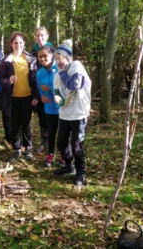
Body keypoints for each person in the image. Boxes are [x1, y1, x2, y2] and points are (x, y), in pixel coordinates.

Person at [53, 40, 91, 186]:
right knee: (61, 143)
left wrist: (62, 73)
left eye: (60, 58)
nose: (57, 61)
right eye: (55, 58)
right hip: (64, 114)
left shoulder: (76, 66)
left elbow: (75, 85)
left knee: (77, 145)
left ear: (68, 57)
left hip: (79, 114)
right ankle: (70, 166)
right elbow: (57, 91)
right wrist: (57, 97)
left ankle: (81, 173)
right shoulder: (57, 75)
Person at [0, 31, 39, 163]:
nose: (18, 45)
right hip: (13, 97)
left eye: (20, 42)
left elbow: (35, 79)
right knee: (14, 124)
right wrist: (8, 80)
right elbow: (1, 79)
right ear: (11, 44)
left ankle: (28, 147)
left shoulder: (30, 58)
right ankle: (16, 149)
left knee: (26, 124)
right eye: (15, 43)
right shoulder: (6, 61)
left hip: (27, 96)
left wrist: (36, 95)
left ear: (24, 44)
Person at [36, 46, 64, 167]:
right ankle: (50, 154)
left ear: (52, 55)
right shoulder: (39, 73)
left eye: (45, 56)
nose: (42, 59)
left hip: (62, 107)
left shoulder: (59, 68)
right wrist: (42, 96)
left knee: (63, 132)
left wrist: (50, 89)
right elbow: (40, 89)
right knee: (51, 132)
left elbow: (64, 88)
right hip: (49, 108)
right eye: (40, 57)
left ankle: (64, 156)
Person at [31, 27, 55, 153]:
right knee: (42, 119)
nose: (40, 38)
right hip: (39, 91)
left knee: (55, 120)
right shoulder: (32, 53)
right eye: (37, 36)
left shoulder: (54, 52)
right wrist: (36, 95)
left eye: (42, 35)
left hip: (54, 94)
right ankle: (44, 142)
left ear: (47, 36)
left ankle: (55, 144)